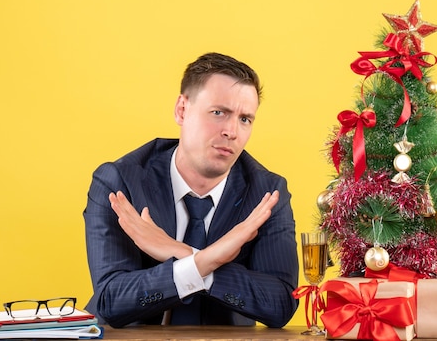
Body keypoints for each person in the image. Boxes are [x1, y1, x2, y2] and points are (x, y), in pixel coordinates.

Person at [83, 52, 298, 328]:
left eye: (245, 119)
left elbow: (280, 304)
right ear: (182, 110)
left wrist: (180, 253)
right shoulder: (119, 181)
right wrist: (207, 259)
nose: (232, 131)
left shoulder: (267, 193)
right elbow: (111, 300)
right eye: (218, 113)